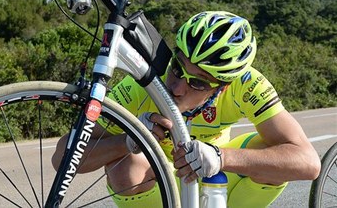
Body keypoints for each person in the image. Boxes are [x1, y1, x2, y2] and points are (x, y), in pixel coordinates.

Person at [52, 11, 321, 207]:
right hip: (163, 180)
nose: (178, 87)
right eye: (178, 68)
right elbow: (62, 157)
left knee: (271, 149)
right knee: (126, 166)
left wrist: (222, 157)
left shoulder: (247, 84)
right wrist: (129, 141)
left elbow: (308, 163)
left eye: (198, 83)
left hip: (219, 180)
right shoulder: (141, 87)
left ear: (223, 87)